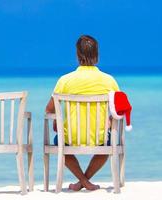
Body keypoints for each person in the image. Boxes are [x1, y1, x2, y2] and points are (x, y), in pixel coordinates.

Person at [45, 35, 119, 191]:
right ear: (97, 55)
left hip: (70, 137)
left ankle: (82, 182)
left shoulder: (65, 80)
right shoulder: (108, 80)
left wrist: (56, 121)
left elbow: (49, 109)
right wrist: (110, 120)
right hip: (99, 137)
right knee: (108, 144)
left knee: (59, 141)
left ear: (77, 55)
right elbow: (118, 109)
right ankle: (85, 182)